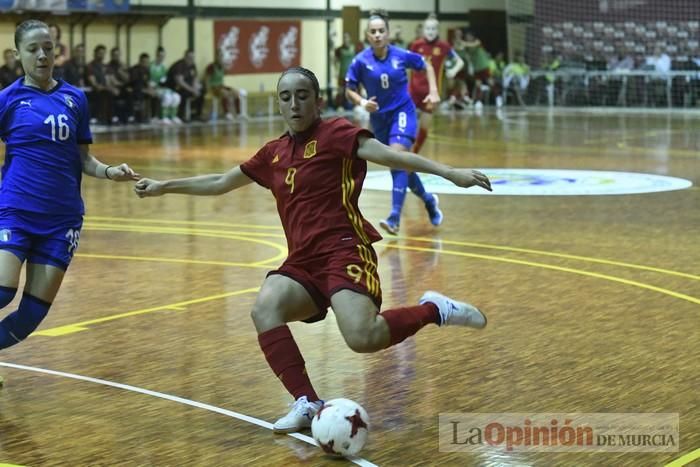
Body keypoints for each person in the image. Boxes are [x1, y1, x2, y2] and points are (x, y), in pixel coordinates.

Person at [133, 66, 492, 433]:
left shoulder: (336, 133)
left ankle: (434, 309)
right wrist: (164, 186)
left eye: (302, 95)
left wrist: (449, 172)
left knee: (362, 338)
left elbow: (391, 155)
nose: (294, 104)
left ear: (318, 101)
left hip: (344, 249)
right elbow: (220, 181)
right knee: (265, 307)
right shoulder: (273, 153)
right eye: (285, 97)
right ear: (279, 104)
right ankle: (306, 402)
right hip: (303, 262)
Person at [0, 20, 138, 353]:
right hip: (16, 211)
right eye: (33, 49)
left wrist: (109, 171)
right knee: (3, 291)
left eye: (48, 47)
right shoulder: (8, 99)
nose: (42, 55)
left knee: (30, 316)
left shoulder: (75, 99)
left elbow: (84, 159)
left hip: (62, 221)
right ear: (18, 54)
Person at [345, 9, 442, 236]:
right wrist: (362, 102)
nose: (377, 35)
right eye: (373, 32)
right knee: (399, 164)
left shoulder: (400, 55)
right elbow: (349, 88)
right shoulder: (360, 61)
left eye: (381, 31)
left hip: (403, 112)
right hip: (380, 119)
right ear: (367, 35)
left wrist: (434, 91)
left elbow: (426, 64)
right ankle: (428, 200)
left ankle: (394, 217)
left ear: (388, 34)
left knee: (397, 157)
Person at [409, 14, 464, 156]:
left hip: (431, 94)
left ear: (438, 30)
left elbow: (460, 62)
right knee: (408, 124)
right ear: (423, 30)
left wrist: (453, 70)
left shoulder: (444, 46)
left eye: (433, 28)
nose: (430, 31)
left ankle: (414, 153)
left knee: (424, 127)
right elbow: (407, 63)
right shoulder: (416, 45)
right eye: (428, 28)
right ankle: (404, 152)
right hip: (413, 91)